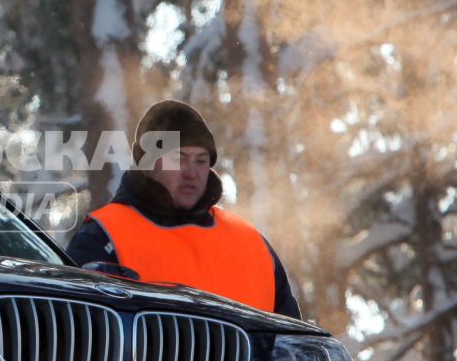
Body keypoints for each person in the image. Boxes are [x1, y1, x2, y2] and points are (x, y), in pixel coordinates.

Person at [65, 100, 302, 319]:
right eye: (179, 158)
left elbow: (293, 347)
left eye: (201, 160)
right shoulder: (104, 237)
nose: (191, 173)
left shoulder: (252, 243)